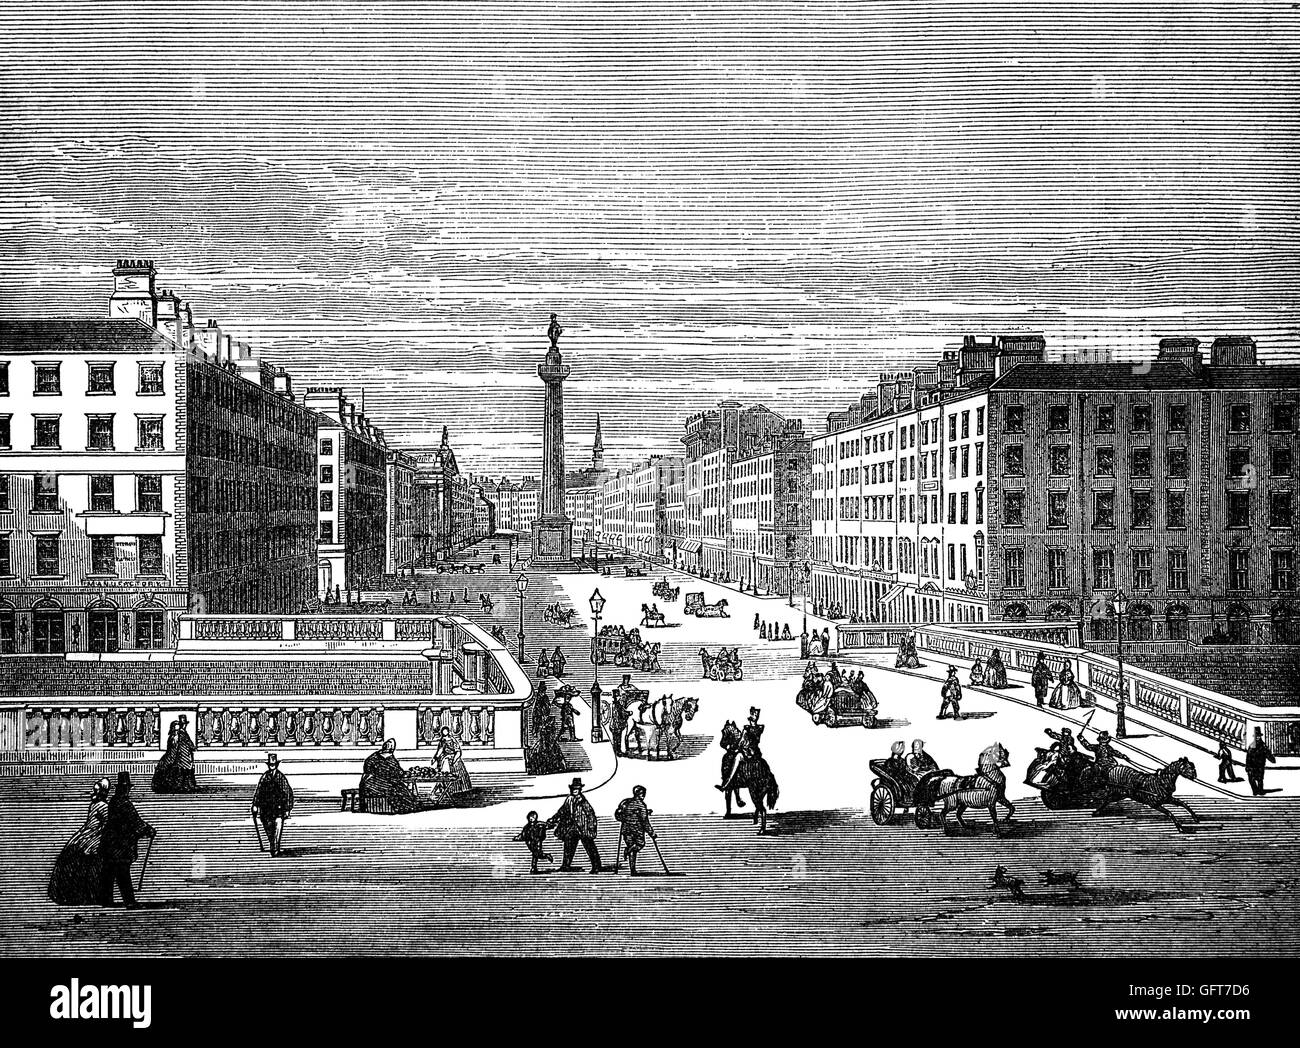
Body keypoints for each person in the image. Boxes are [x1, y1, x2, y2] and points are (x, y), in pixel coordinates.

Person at [49, 778, 111, 905]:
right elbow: (93, 824)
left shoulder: (103, 806)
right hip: (88, 836)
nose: (92, 793)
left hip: (94, 837)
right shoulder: (96, 805)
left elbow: (105, 826)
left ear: (102, 793)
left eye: (95, 791)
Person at [99, 772, 156, 907]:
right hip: (120, 845)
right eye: (126, 788)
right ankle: (129, 902)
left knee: (109, 872)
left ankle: (105, 900)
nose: (127, 790)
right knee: (122, 873)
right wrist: (148, 830)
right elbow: (135, 822)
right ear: (124, 789)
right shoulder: (124, 803)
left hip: (110, 843)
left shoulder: (114, 801)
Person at [547, 778, 602, 873]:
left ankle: (596, 866)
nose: (574, 790)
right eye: (573, 788)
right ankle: (565, 866)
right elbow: (562, 811)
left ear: (580, 789)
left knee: (589, 846)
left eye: (577, 788)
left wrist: (592, 827)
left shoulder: (583, 801)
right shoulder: (569, 799)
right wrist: (553, 819)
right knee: (568, 846)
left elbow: (590, 814)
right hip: (572, 827)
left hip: (583, 827)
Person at [360, 739, 422, 814]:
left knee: (401, 788)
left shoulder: (375, 757)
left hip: (374, 783)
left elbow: (397, 771)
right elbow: (397, 772)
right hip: (373, 784)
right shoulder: (384, 758)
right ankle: (404, 807)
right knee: (395, 790)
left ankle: (410, 806)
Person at [252, 753, 294, 858]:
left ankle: (275, 848)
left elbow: (288, 793)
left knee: (277, 828)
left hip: (278, 809)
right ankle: (273, 844)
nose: (272, 766)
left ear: (276, 765)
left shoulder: (280, 777)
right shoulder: (265, 777)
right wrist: (255, 805)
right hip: (266, 810)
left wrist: (288, 808)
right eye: (270, 764)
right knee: (268, 828)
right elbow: (259, 791)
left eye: (273, 764)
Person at [718, 707, 764, 792]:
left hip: (750, 752)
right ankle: (737, 793)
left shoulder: (754, 728)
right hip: (751, 751)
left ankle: (727, 782)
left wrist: (737, 749)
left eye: (755, 714)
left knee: (737, 756)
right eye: (753, 714)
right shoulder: (753, 728)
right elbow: (743, 741)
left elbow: (747, 741)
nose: (754, 716)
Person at [615, 786, 656, 875]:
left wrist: (625, 817)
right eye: (643, 794)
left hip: (626, 830)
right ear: (641, 794)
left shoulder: (625, 802)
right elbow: (645, 821)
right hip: (637, 830)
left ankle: (633, 870)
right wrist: (652, 833)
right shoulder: (641, 805)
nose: (643, 796)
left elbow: (618, 815)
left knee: (632, 847)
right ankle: (628, 851)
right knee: (640, 844)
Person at [432, 726, 473, 795]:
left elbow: (458, 751)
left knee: (456, 774)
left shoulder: (452, 740)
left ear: (448, 732)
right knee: (442, 775)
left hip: (453, 758)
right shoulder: (442, 740)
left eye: (446, 731)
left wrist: (454, 760)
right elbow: (440, 750)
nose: (445, 733)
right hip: (444, 759)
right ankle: (444, 789)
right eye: (443, 731)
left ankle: (458, 790)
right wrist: (435, 757)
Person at [611, 674, 639, 756]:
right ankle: (618, 751)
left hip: (618, 723)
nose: (626, 681)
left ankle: (618, 750)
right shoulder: (620, 689)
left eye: (627, 679)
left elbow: (637, 693)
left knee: (617, 738)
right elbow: (621, 712)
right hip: (617, 724)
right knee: (617, 738)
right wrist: (628, 713)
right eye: (625, 679)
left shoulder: (632, 687)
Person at [1245, 727, 1276, 796]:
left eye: (1258, 736)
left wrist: (1272, 759)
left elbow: (1268, 753)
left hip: (1260, 766)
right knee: (1251, 779)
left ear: (1260, 737)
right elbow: (1248, 757)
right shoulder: (1251, 745)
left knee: (1259, 779)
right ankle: (1255, 791)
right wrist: (1247, 766)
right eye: (1256, 736)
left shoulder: (1263, 746)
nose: (1257, 738)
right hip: (1252, 766)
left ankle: (1260, 791)